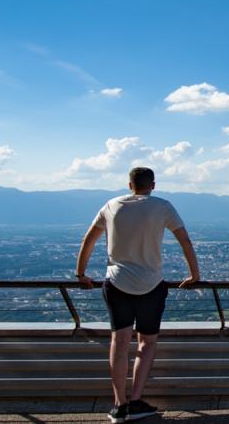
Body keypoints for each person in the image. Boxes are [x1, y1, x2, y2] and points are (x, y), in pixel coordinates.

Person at [74, 167, 200, 423]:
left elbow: (89, 239)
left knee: (119, 343)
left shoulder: (111, 205)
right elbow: (185, 240)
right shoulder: (162, 206)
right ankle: (136, 401)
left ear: (129, 184)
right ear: (152, 184)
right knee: (146, 343)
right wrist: (194, 274)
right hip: (151, 285)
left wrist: (80, 274)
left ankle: (119, 405)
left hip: (116, 283)